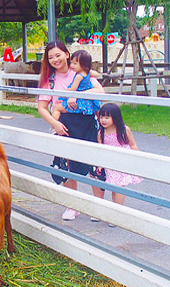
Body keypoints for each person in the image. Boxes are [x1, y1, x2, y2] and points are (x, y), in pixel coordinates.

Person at [37, 40, 105, 221]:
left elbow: (100, 91)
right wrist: (55, 124)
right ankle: (72, 206)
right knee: (67, 164)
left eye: (58, 55)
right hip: (64, 124)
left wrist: (78, 96)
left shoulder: (81, 72)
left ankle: (98, 208)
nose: (55, 60)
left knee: (94, 163)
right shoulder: (49, 80)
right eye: (50, 57)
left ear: (67, 54)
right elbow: (42, 107)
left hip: (86, 122)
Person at [91, 103, 143, 224]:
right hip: (109, 162)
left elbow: (133, 144)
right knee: (112, 186)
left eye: (107, 117)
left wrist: (137, 158)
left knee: (118, 187)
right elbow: (101, 149)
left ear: (115, 117)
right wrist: (100, 165)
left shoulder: (124, 130)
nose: (103, 120)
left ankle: (117, 213)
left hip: (123, 161)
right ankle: (112, 211)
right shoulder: (101, 133)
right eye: (101, 117)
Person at [51, 50, 102, 121]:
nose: (71, 66)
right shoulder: (87, 73)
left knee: (57, 108)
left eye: (75, 63)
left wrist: (63, 92)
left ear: (83, 64)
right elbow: (97, 74)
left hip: (79, 101)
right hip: (86, 102)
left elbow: (73, 89)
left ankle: (54, 126)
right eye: (71, 63)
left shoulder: (79, 76)